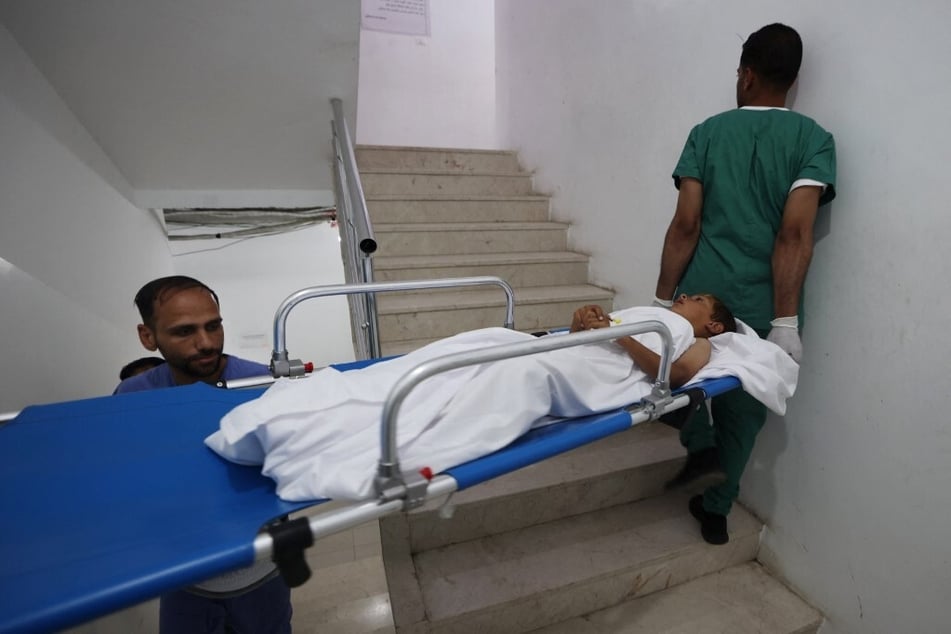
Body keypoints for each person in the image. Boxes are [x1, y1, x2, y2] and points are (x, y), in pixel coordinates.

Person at [206, 295, 745, 503]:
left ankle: (378, 441)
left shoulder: (696, 343)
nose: (682, 297)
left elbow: (670, 376)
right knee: (482, 343)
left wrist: (614, 337)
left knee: (519, 376)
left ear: (714, 321)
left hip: (580, 373)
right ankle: (368, 398)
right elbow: (593, 326)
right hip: (570, 346)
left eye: (695, 299)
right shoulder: (647, 310)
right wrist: (587, 321)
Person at [653, 23, 837, 545]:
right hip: (762, 303)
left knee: (680, 378)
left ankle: (700, 446)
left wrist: (663, 299)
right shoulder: (813, 141)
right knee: (745, 406)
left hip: (701, 297)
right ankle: (716, 511)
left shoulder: (707, 133)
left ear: (747, 75)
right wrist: (785, 322)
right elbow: (795, 233)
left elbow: (685, 225)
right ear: (793, 81)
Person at [115, 275, 291, 634]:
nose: (206, 343)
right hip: (184, 575)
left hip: (259, 570)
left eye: (214, 326)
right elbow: (129, 480)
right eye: (184, 332)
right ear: (148, 337)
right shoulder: (132, 398)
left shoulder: (259, 386)